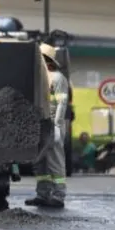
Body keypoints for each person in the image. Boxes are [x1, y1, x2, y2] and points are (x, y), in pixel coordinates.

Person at [26, 43, 70, 208]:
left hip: (53, 123)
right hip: (42, 124)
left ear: (47, 60)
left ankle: (58, 195)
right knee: (40, 162)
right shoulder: (41, 77)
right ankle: (43, 194)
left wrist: (57, 125)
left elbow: (61, 103)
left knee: (55, 161)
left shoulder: (58, 78)